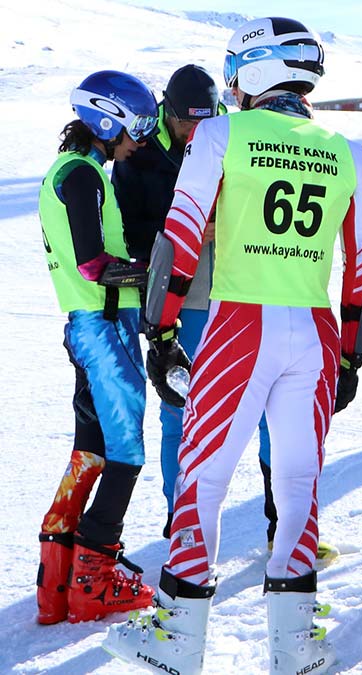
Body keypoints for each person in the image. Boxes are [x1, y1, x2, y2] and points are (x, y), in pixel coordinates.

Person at [104, 18, 362, 675]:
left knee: (204, 471)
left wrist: (163, 332)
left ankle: (178, 634)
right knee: (298, 477)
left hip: (238, 324)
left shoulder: (221, 133)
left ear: (255, 70)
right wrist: (350, 357)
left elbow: (178, 237)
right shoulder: (350, 150)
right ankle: (294, 645)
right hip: (313, 332)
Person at [112, 65, 313, 555]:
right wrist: (182, 232)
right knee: (180, 407)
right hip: (181, 297)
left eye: (207, 120)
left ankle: (278, 522)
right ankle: (177, 520)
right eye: (187, 124)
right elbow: (129, 231)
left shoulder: (232, 131)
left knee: (272, 406)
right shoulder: (138, 151)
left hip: (240, 283)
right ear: (169, 112)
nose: (196, 133)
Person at [35, 70, 159, 626]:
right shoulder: (83, 174)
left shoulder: (74, 170)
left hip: (91, 326)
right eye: (133, 132)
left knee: (91, 448)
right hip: (103, 329)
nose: (136, 145)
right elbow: (93, 263)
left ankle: (56, 579)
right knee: (127, 449)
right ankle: (93, 582)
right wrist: (156, 274)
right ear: (107, 122)